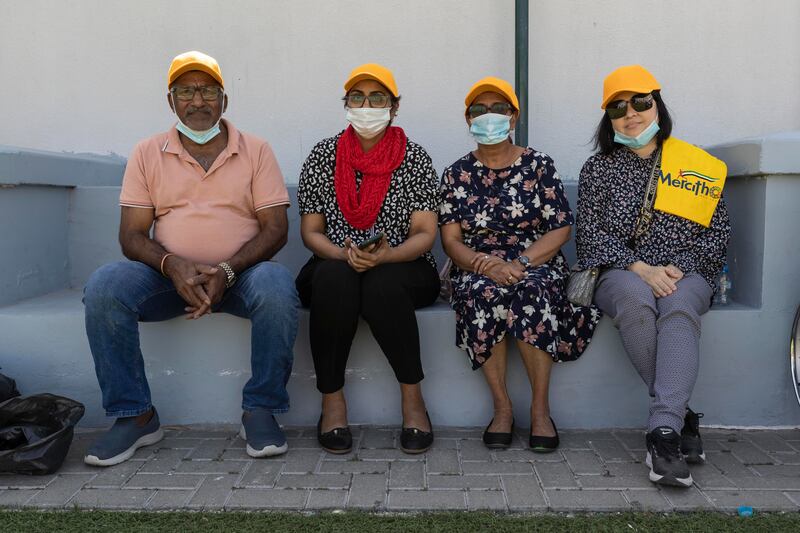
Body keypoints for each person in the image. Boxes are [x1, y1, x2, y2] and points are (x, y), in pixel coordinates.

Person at [82, 51, 299, 466]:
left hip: (242, 276)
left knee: (276, 286)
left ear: (224, 100)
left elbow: (276, 229)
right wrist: (174, 266)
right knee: (105, 286)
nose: (197, 101)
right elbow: (131, 236)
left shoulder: (256, 150)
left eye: (207, 91)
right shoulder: (147, 152)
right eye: (186, 91)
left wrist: (229, 270)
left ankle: (260, 409)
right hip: (167, 279)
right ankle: (136, 415)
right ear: (171, 101)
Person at [576, 65, 731, 487]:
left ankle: (663, 433)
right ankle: (679, 419)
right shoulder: (599, 169)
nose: (632, 114)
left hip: (688, 271)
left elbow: (718, 233)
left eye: (641, 102)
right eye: (618, 107)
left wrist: (678, 268)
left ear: (657, 104)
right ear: (608, 118)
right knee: (637, 303)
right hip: (623, 272)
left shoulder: (696, 164)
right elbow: (589, 236)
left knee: (679, 306)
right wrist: (641, 268)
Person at [439, 77, 599, 452]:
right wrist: (485, 265)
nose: (488, 116)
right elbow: (450, 241)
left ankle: (541, 410)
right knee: (482, 294)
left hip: (536, 262)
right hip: (477, 264)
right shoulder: (455, 174)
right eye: (479, 109)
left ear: (513, 117)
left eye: (498, 108)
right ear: (467, 119)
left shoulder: (539, 164)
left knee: (533, 291)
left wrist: (522, 263)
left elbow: (560, 228)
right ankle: (503, 408)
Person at [295, 63, 440, 454]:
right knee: (335, 279)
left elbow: (426, 233)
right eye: (357, 97)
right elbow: (311, 232)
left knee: (381, 285)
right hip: (333, 260)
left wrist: (388, 256)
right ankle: (332, 403)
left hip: (402, 264)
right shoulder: (324, 155)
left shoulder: (414, 156)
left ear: (394, 107)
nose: (366, 105)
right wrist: (344, 254)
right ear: (346, 104)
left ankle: (413, 402)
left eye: (378, 98)